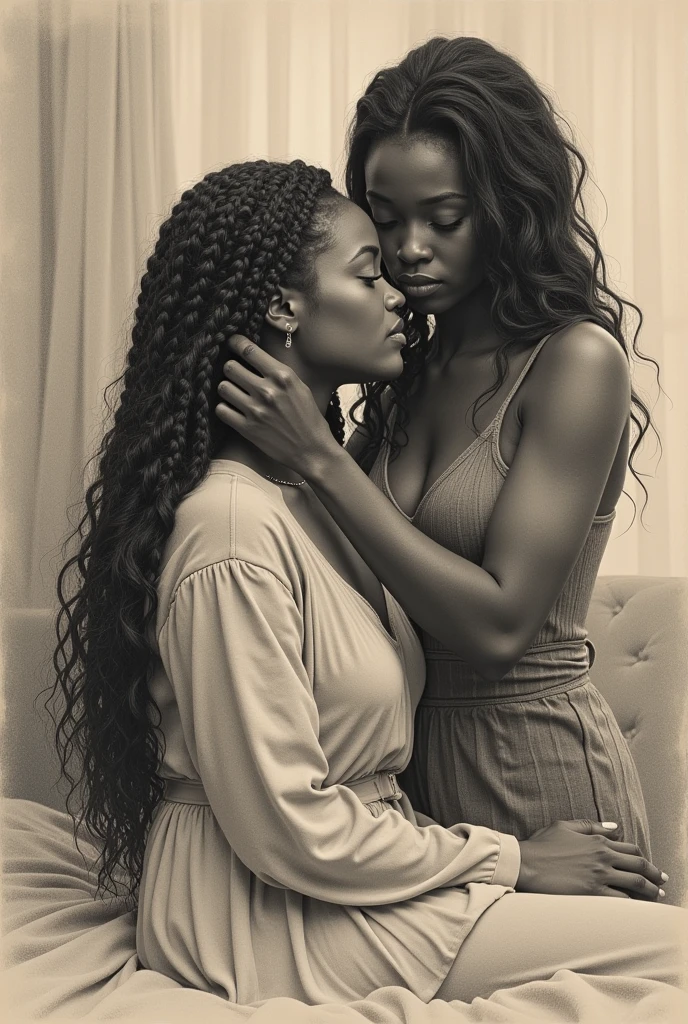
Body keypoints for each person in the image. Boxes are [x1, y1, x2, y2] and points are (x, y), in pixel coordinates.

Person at [47, 157, 684, 1008]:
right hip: (262, 913)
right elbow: (285, 823)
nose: (399, 291)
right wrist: (513, 859)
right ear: (283, 306)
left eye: (435, 225)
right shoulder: (233, 529)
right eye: (370, 267)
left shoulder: (314, 498)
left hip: (351, 871)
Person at [216, 35, 654, 856]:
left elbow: (497, 626)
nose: (411, 248)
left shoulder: (574, 362)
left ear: (507, 208)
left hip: (540, 771)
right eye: (387, 220)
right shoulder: (400, 371)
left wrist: (320, 458)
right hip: (408, 794)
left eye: (444, 218)